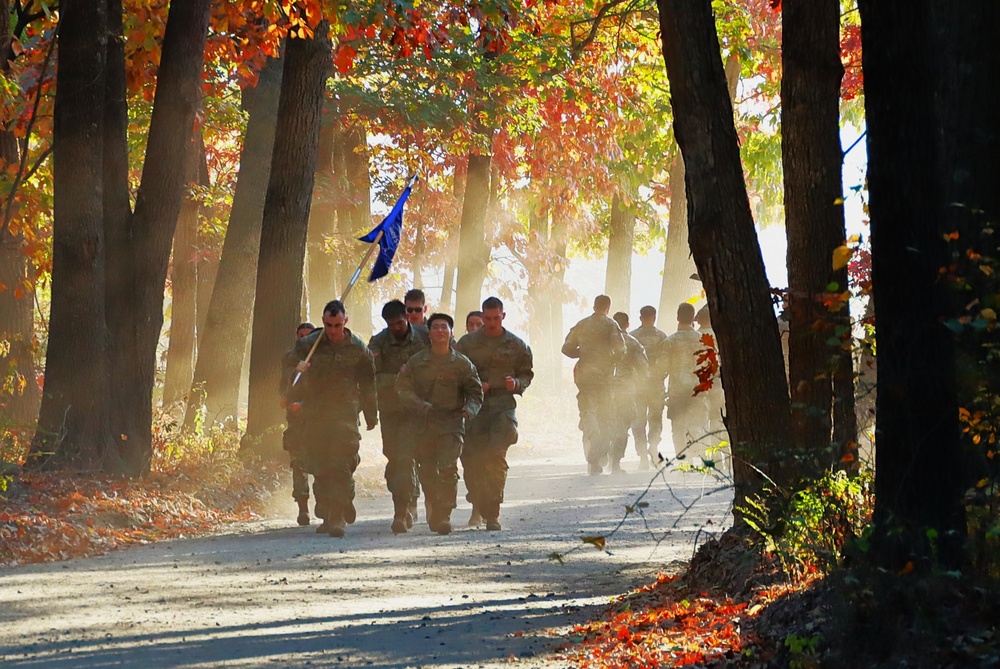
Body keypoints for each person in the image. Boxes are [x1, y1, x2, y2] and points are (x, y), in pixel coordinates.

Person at [285, 300, 377, 538]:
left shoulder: (358, 348)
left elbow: (368, 384)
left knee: (340, 464)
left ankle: (337, 515)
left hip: (345, 415)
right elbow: (286, 374)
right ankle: (327, 513)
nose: (332, 330)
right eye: (328, 325)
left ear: (345, 321)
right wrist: (298, 370)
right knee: (320, 466)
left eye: (337, 325)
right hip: (315, 415)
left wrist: (370, 413)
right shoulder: (309, 345)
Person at [396, 313, 483, 535]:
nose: (440, 331)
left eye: (445, 327)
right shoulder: (417, 362)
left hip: (452, 424)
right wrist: (419, 405)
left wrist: (469, 410)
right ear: (430, 333)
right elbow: (402, 388)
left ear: (451, 332)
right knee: (426, 470)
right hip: (424, 425)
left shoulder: (462, 364)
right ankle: (433, 505)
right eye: (436, 328)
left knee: (448, 468)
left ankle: (444, 514)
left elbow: (475, 391)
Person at [456, 297, 533, 530]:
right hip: (474, 408)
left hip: (502, 406)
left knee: (495, 456)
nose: (491, 323)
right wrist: (475, 386)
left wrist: (516, 384)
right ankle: (477, 503)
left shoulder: (516, 344)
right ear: (482, 316)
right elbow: (455, 371)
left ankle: (492, 513)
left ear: (503, 316)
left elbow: (527, 373)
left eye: (495, 318)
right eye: (487, 318)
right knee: (471, 459)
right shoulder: (467, 343)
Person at [368, 300, 431, 534]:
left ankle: (401, 511)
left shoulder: (425, 337)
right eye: (391, 324)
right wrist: (400, 378)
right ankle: (408, 498)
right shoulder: (378, 342)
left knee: (405, 456)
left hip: (416, 410)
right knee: (394, 458)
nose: (396, 327)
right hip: (391, 410)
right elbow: (370, 376)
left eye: (400, 322)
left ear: (407, 317)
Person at [562, 295, 626, 475]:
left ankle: (593, 438)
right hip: (605, 378)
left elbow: (566, 348)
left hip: (585, 376)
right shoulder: (611, 325)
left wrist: (583, 354)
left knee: (588, 410)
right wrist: (610, 359)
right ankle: (600, 446)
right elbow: (621, 350)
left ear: (593, 306)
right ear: (608, 307)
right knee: (606, 415)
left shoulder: (582, 325)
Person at [656, 303, 709, 463]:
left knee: (678, 426)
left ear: (677, 318)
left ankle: (683, 458)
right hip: (698, 389)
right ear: (693, 319)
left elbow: (661, 369)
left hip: (677, 390)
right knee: (697, 423)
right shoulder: (703, 340)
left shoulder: (669, 341)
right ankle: (696, 452)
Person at [281, 321, 318, 525]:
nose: (304, 339)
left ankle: (326, 504)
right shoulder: (290, 358)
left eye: (308, 335)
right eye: (300, 335)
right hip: (297, 420)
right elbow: (284, 386)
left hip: (319, 417)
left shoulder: (322, 357)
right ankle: (303, 506)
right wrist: (296, 371)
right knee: (299, 462)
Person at [630, 305, 668, 470]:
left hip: (638, 386)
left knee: (638, 421)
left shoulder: (633, 337)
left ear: (640, 318)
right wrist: (661, 377)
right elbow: (666, 361)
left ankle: (642, 455)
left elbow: (628, 362)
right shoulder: (662, 337)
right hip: (655, 385)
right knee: (655, 419)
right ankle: (653, 447)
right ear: (654, 317)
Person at [609, 312, 648, 473]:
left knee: (605, 424)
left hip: (603, 389)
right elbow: (643, 368)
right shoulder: (633, 343)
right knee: (622, 426)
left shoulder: (603, 343)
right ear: (627, 325)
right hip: (625, 391)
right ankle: (616, 463)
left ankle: (599, 458)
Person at [695, 306, 728, 451]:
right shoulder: (721, 336)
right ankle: (721, 452)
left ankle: (707, 453)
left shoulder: (694, 338)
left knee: (701, 420)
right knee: (718, 418)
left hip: (699, 383)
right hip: (719, 382)